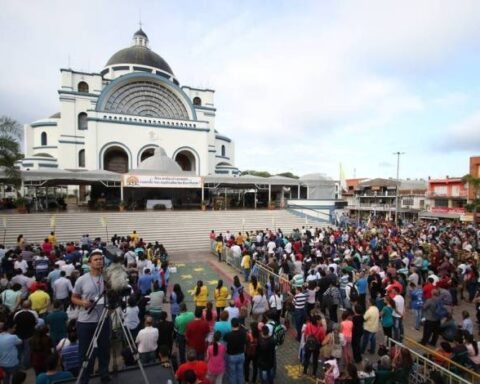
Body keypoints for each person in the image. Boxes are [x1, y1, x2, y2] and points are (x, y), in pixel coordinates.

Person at [70, 249, 111, 383]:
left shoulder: (107, 277)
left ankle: (104, 374)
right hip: (85, 321)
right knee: (86, 352)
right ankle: (85, 378)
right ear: (89, 263)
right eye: (96, 259)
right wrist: (83, 302)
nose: (99, 261)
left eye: (101, 259)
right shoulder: (81, 280)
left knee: (104, 350)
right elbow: (74, 298)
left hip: (103, 319)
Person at [224, 318, 247, 384]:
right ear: (239, 324)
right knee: (240, 372)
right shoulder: (243, 333)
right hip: (241, 354)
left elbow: (225, 342)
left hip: (231, 355)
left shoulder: (228, 335)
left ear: (231, 325)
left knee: (232, 373)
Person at [0, 319, 22, 384]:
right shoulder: (13, 337)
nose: (14, 329)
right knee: (14, 379)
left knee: (6, 377)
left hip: (2, 363)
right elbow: (20, 342)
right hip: (12, 363)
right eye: (14, 328)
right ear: (9, 328)